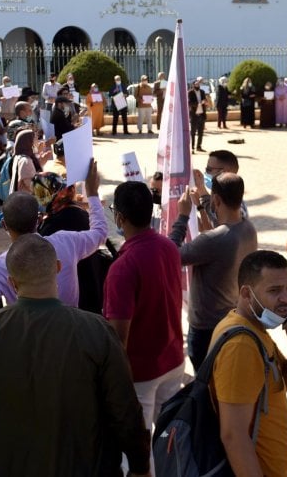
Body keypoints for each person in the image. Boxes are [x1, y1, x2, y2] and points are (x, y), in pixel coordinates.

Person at [0, 234, 150, 476]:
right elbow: (126, 412)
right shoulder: (98, 332)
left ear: (13, 283)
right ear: (58, 268)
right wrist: (140, 466)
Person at [210, 250, 287, 477]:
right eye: (274, 291)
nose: (285, 299)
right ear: (247, 293)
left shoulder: (255, 330)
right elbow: (233, 435)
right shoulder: (241, 346)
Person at [0, 161, 107, 325]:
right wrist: (92, 194)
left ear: (5, 225)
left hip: (28, 344)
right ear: (38, 219)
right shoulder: (67, 242)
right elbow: (100, 233)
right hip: (71, 336)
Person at [103, 180, 184, 426]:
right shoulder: (169, 247)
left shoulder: (122, 267)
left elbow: (118, 337)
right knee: (165, 443)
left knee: (137, 450)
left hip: (141, 375)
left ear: (119, 218)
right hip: (173, 361)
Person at [169, 172, 257, 370]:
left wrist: (182, 216)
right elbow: (222, 223)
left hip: (206, 330)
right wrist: (202, 194)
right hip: (233, 319)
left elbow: (170, 255)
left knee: (206, 389)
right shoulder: (247, 228)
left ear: (217, 199)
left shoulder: (213, 240)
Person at [11, 129, 43, 194]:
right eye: (35, 140)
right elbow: (33, 186)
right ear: (29, 143)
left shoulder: (18, 156)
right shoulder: (26, 161)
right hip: (26, 201)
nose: (38, 142)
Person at [188, 76, 209, 152]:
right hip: (194, 114)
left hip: (202, 114)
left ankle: (199, 146)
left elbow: (205, 100)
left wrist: (206, 102)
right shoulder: (190, 92)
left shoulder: (202, 92)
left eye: (198, 84)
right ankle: (192, 147)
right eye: (196, 84)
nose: (197, 85)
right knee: (193, 132)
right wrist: (199, 103)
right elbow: (190, 103)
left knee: (201, 132)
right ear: (193, 85)